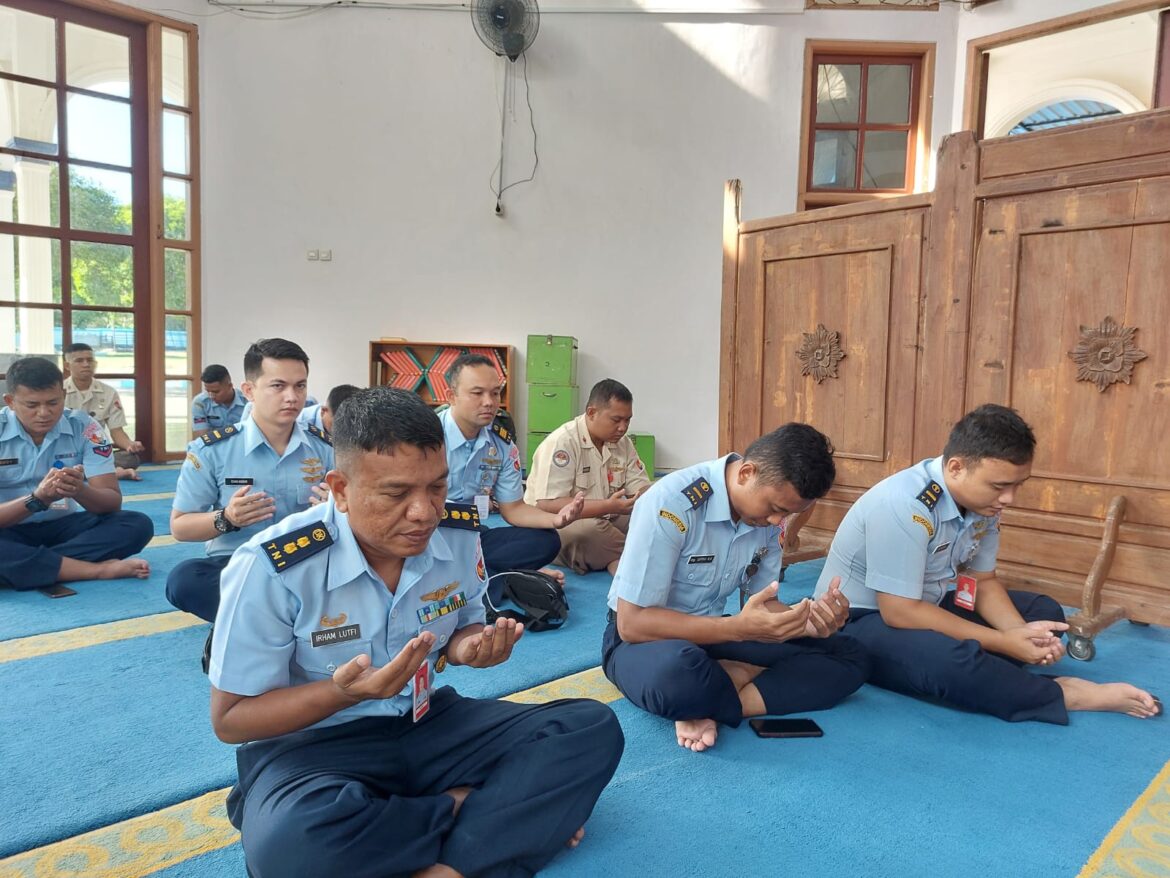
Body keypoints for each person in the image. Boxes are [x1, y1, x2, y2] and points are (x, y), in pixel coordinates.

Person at [208, 386, 625, 878]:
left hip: (424, 722)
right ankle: (467, 813)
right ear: (340, 489)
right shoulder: (271, 566)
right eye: (397, 493)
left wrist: (469, 646)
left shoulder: (456, 531)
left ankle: (443, 862)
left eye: (437, 487)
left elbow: (464, 620)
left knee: (589, 728)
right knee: (290, 847)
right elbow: (232, 721)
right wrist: (341, 694)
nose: (424, 511)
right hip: (314, 747)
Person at [813, 403, 1162, 724]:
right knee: (949, 662)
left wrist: (1015, 632)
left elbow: (981, 581)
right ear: (956, 467)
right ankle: (1063, 692)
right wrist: (1001, 642)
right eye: (999, 486)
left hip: (924, 606)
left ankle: (988, 668)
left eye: (1016, 486)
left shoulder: (982, 505)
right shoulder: (905, 504)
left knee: (1044, 612)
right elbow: (899, 612)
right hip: (856, 622)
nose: (1008, 499)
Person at [603, 422, 868, 751]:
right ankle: (714, 685)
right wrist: (738, 630)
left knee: (850, 654)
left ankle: (711, 697)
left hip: (717, 634)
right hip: (648, 642)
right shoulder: (671, 503)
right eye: (775, 509)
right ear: (746, 473)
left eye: (788, 514)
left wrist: (809, 621)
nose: (776, 523)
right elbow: (633, 624)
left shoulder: (767, 517)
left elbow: (764, 601)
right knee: (679, 674)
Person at [167, 338, 334, 630]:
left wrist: (337, 508)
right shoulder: (212, 451)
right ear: (249, 390)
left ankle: (258, 622)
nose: (292, 397)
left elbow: (356, 517)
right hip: (240, 563)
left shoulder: (325, 449)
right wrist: (227, 518)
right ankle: (288, 621)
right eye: (278, 386)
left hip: (307, 559)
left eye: (300, 386)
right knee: (183, 579)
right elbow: (180, 526)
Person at [440, 354, 584, 603]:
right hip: (428, 534)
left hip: (472, 535)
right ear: (450, 395)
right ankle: (506, 578)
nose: (489, 402)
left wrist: (556, 519)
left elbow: (513, 509)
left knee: (546, 540)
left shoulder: (502, 444)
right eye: (477, 393)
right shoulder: (426, 437)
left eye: (495, 393)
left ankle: (488, 575)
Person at [0, 357, 152, 591]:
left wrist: (80, 489)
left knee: (137, 524)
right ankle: (95, 570)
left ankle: (28, 566)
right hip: (8, 528)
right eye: (32, 405)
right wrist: (37, 500)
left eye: (53, 402)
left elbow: (112, 503)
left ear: (63, 394)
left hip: (63, 527)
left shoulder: (85, 427)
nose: (44, 413)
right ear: (10, 401)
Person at [525, 379, 651, 575]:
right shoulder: (563, 442)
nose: (623, 427)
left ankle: (617, 558)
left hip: (608, 516)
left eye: (628, 420)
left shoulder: (622, 443)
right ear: (592, 413)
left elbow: (641, 487)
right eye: (616, 420)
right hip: (559, 523)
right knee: (588, 532)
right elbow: (548, 504)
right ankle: (636, 557)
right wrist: (609, 506)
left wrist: (651, 498)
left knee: (651, 519)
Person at [62, 343, 146, 480]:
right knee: (55, 461)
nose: (86, 364)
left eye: (90, 360)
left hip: (95, 447)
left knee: (130, 458)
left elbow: (116, 431)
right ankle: (112, 472)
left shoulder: (108, 392)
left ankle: (84, 472)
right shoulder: (59, 391)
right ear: (67, 366)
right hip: (66, 450)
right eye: (79, 361)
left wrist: (130, 445)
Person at [191, 364, 246, 437]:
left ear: (230, 386)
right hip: (213, 447)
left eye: (216, 392)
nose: (211, 396)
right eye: (208, 391)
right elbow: (204, 438)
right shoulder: (200, 403)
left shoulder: (248, 402)